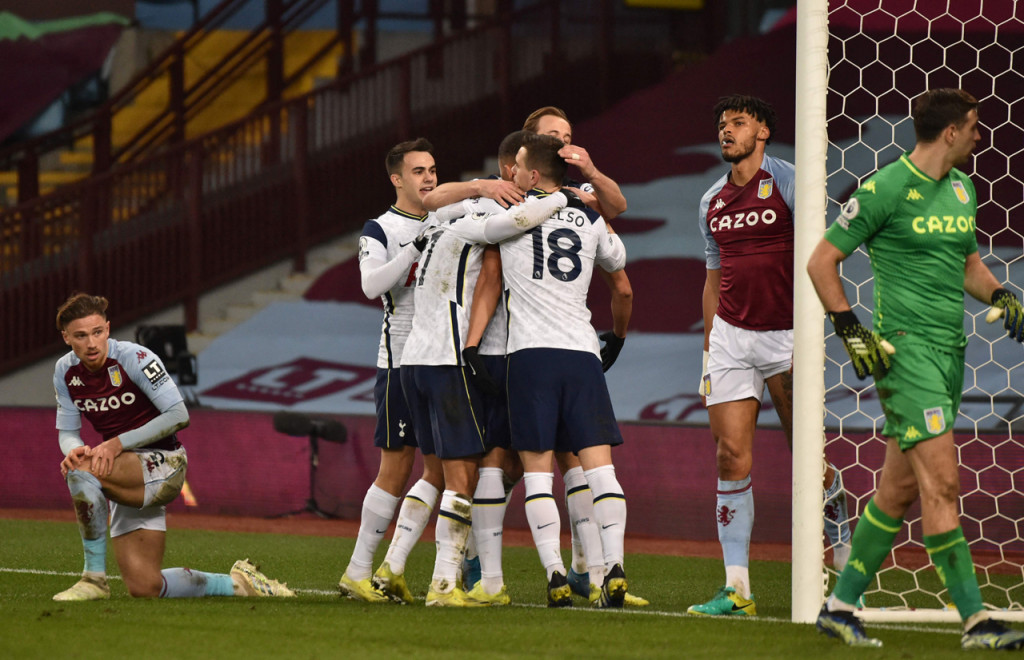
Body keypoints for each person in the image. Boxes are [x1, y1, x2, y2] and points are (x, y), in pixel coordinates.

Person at [808, 88, 1024, 649]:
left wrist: (1002, 294)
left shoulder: (962, 188)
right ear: (950, 131)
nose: (981, 135)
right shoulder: (885, 188)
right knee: (944, 484)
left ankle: (839, 607)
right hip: (905, 357)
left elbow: (968, 263)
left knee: (898, 492)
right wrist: (851, 331)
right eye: (974, 126)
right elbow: (821, 260)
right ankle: (977, 622)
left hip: (951, 355)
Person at [448, 132, 630, 608]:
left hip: (530, 356)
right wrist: (583, 204)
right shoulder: (589, 214)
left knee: (536, 474)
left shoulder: (509, 216)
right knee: (601, 472)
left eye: (519, 167)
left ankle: (554, 573)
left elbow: (467, 233)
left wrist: (483, 193)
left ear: (530, 174)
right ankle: (613, 567)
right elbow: (618, 263)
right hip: (583, 353)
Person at [689, 94, 852, 617]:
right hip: (732, 339)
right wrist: (710, 344)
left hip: (787, 336)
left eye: (738, 123)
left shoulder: (786, 181)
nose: (726, 131)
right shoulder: (711, 200)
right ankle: (737, 589)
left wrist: (814, 329)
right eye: (721, 124)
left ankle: (848, 574)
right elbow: (713, 277)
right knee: (729, 456)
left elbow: (818, 254)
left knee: (809, 456)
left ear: (762, 131)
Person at [400, 160, 574, 606]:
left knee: (435, 472)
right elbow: (514, 223)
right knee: (462, 476)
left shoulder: (440, 223)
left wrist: (474, 187)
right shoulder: (477, 222)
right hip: (448, 359)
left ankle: (387, 568)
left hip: (414, 359)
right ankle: (444, 584)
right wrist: (559, 196)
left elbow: (433, 200)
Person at [52, 293, 294, 601]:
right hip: (126, 471)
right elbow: (67, 432)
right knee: (145, 587)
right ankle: (237, 584)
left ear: (108, 328)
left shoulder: (135, 358)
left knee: (81, 472)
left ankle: (94, 579)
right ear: (66, 337)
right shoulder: (65, 371)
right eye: (81, 336)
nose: (91, 343)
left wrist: (114, 445)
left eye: (98, 332)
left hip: (165, 463)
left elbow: (179, 414)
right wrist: (73, 448)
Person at [338, 138, 444, 603]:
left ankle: (394, 567)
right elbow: (370, 285)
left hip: (443, 359)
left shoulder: (447, 218)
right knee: (396, 469)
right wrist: (414, 248)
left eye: (432, 169)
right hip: (399, 360)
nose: (428, 178)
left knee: (445, 468)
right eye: (418, 171)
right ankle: (358, 571)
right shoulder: (379, 228)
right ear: (396, 179)